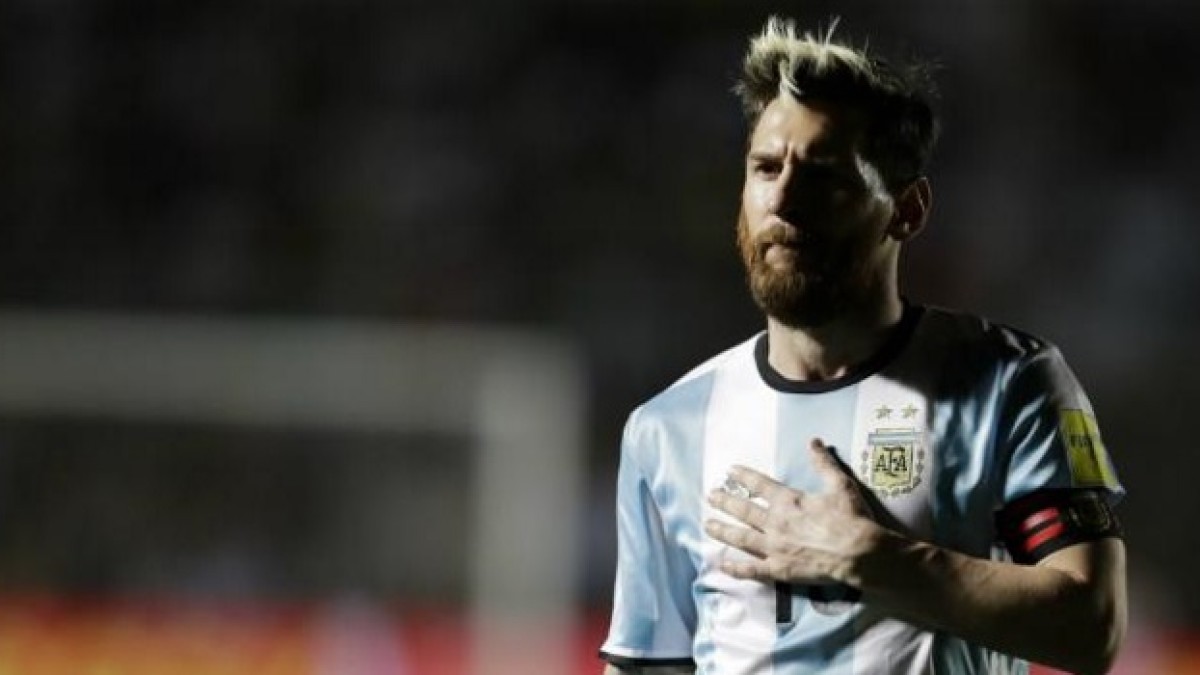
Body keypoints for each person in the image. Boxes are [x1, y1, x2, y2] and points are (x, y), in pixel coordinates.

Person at [598, 16, 1127, 675]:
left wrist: (872, 559)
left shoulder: (1008, 381)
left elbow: (1092, 627)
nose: (783, 198)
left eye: (824, 175)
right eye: (766, 168)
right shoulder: (667, 428)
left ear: (907, 209)